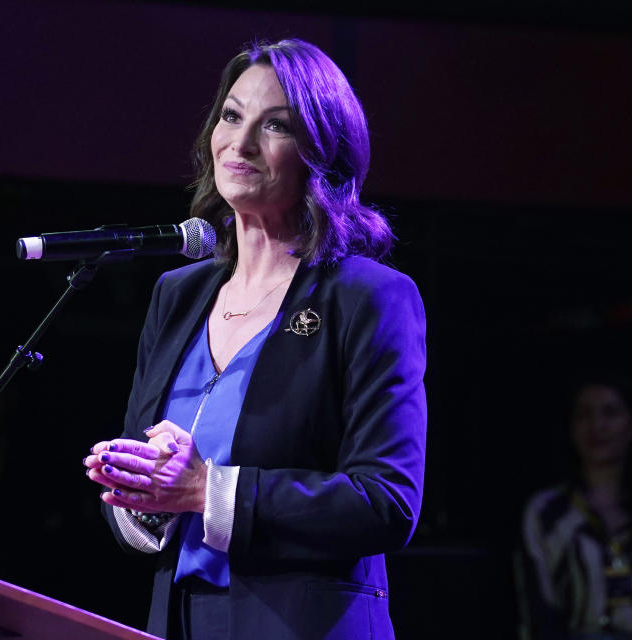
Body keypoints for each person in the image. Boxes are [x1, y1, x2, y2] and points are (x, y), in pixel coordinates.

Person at [82, 38, 426, 640]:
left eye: (275, 126)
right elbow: (154, 479)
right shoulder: (178, 294)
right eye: (232, 116)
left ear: (322, 154)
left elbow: (386, 501)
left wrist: (205, 491)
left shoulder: (367, 297)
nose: (239, 144)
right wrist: (136, 490)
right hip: (180, 621)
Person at [516, 375, 632, 640]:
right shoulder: (546, 512)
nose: (597, 426)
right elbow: (536, 610)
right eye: (584, 415)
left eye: (610, 413)